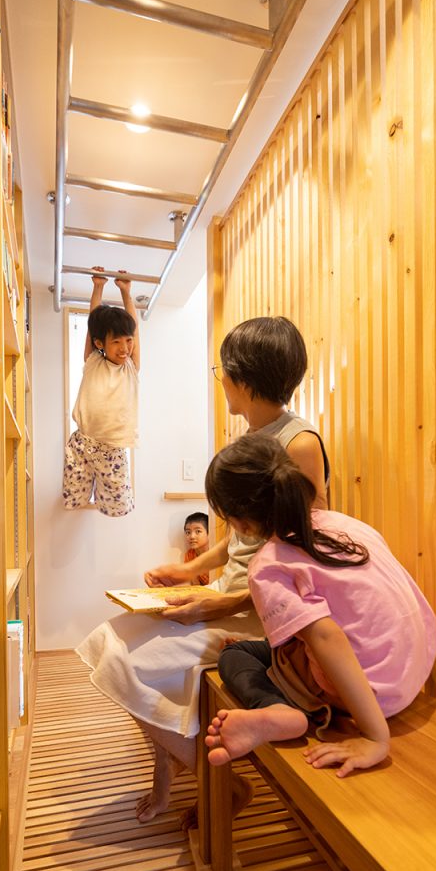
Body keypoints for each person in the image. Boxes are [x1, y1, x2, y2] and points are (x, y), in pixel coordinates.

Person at [77, 316, 330, 824]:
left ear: (245, 378)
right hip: (226, 597)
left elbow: (306, 552)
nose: (221, 379)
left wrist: (222, 603)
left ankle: (222, 784)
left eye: (223, 370)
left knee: (123, 664)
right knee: (109, 639)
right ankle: (177, 770)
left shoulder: (299, 443)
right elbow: (241, 536)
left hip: (261, 614)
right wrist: (186, 571)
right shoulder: (251, 436)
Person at [203, 432, 436, 777]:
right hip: (410, 673)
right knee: (262, 646)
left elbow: (326, 636)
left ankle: (280, 710)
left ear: (241, 524)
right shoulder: (346, 524)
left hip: (373, 696)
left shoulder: (268, 564)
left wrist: (375, 737)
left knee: (234, 655)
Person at [62, 267, 139, 517]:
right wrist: (98, 287)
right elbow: (92, 323)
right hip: (82, 443)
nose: (124, 348)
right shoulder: (93, 360)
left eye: (128, 341)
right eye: (116, 342)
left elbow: (134, 328)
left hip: (112, 449)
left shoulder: (130, 368)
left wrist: (126, 292)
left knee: (117, 507)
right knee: (74, 498)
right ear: (100, 344)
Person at [183, 512, 210, 585]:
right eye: (188, 532)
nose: (192, 536)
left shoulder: (216, 553)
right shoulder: (189, 555)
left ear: (209, 533)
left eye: (198, 531)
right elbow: (195, 584)